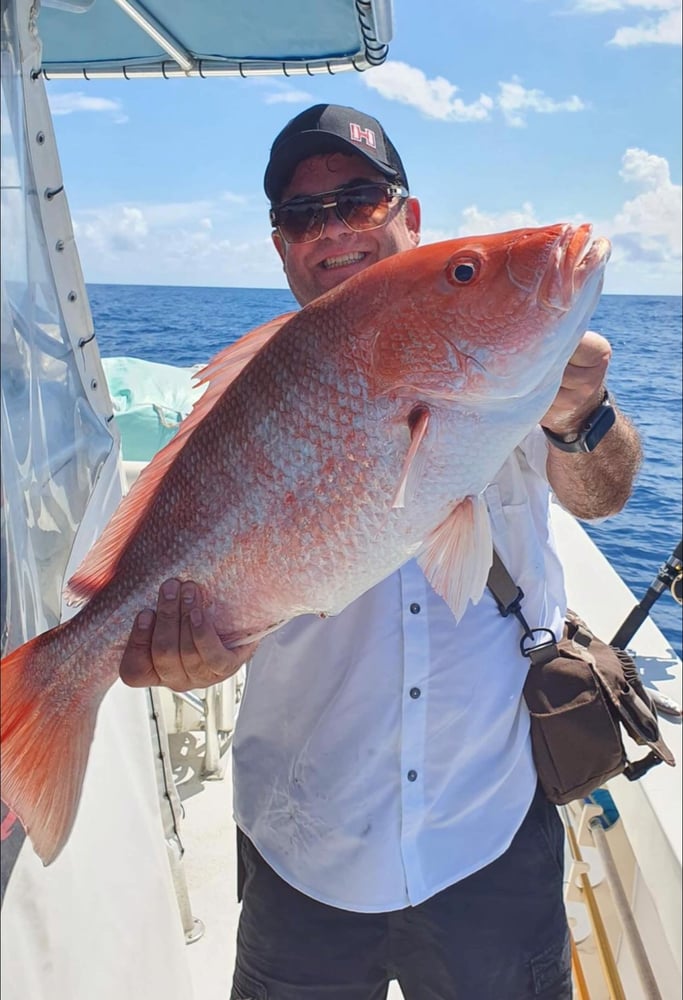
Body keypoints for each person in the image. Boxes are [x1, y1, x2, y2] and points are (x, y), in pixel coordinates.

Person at [119, 104, 642, 998]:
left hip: (487, 828)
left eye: (357, 198)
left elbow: (604, 496)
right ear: (280, 246)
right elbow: (194, 617)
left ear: (410, 216)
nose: (331, 229)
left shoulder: (508, 371)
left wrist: (577, 415)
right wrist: (184, 658)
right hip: (303, 845)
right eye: (301, 214)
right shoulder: (253, 395)